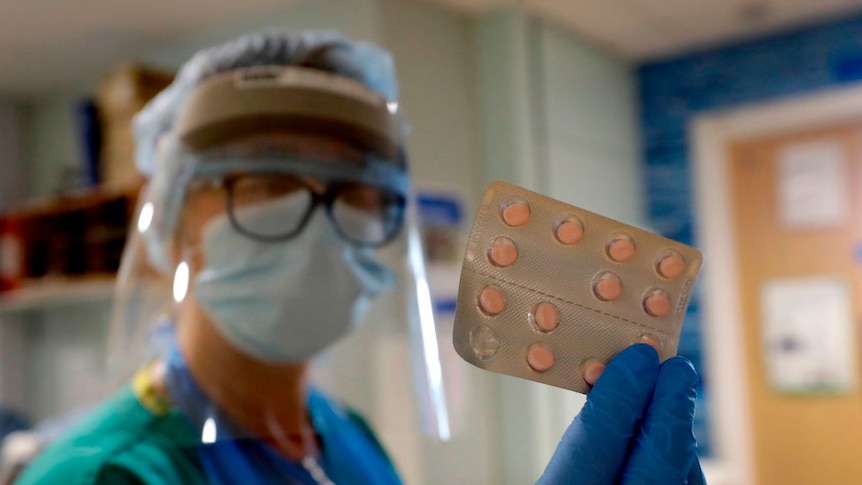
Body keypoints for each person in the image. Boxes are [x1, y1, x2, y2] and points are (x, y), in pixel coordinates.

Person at [15, 30, 705, 485]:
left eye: (354, 191)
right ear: (167, 221)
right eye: (269, 182)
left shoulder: (348, 438)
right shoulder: (107, 474)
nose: (320, 220)